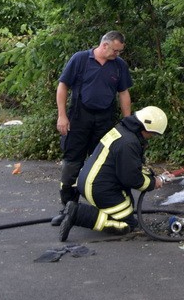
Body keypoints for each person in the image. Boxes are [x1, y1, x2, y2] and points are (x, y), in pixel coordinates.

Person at [58, 106, 168, 241]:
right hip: (100, 189)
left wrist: (152, 175)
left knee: (127, 207)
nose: (152, 137)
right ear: (147, 128)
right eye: (153, 134)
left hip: (88, 181)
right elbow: (131, 178)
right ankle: (77, 214)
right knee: (127, 224)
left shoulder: (122, 131)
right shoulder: (129, 143)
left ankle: (81, 211)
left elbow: (129, 166)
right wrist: (153, 183)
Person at [54, 31, 133, 218]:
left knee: (103, 165)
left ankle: (103, 209)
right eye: (115, 50)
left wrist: (127, 122)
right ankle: (68, 210)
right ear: (104, 45)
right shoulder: (80, 59)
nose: (117, 54)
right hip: (79, 118)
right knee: (72, 163)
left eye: (119, 51)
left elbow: (124, 94)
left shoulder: (119, 66)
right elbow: (63, 86)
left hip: (105, 120)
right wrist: (62, 116)